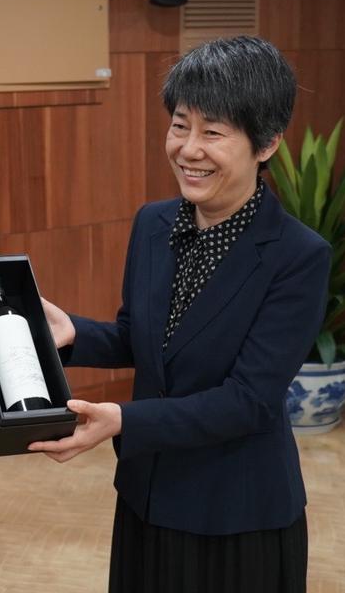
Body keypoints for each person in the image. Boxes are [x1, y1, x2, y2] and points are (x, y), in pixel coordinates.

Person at [32, 36, 329, 592]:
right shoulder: (153, 223)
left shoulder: (298, 256)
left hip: (236, 513)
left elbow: (248, 401)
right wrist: (73, 334)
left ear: (266, 144)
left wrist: (123, 420)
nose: (189, 148)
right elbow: (144, 338)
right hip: (147, 494)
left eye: (213, 132)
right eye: (179, 125)